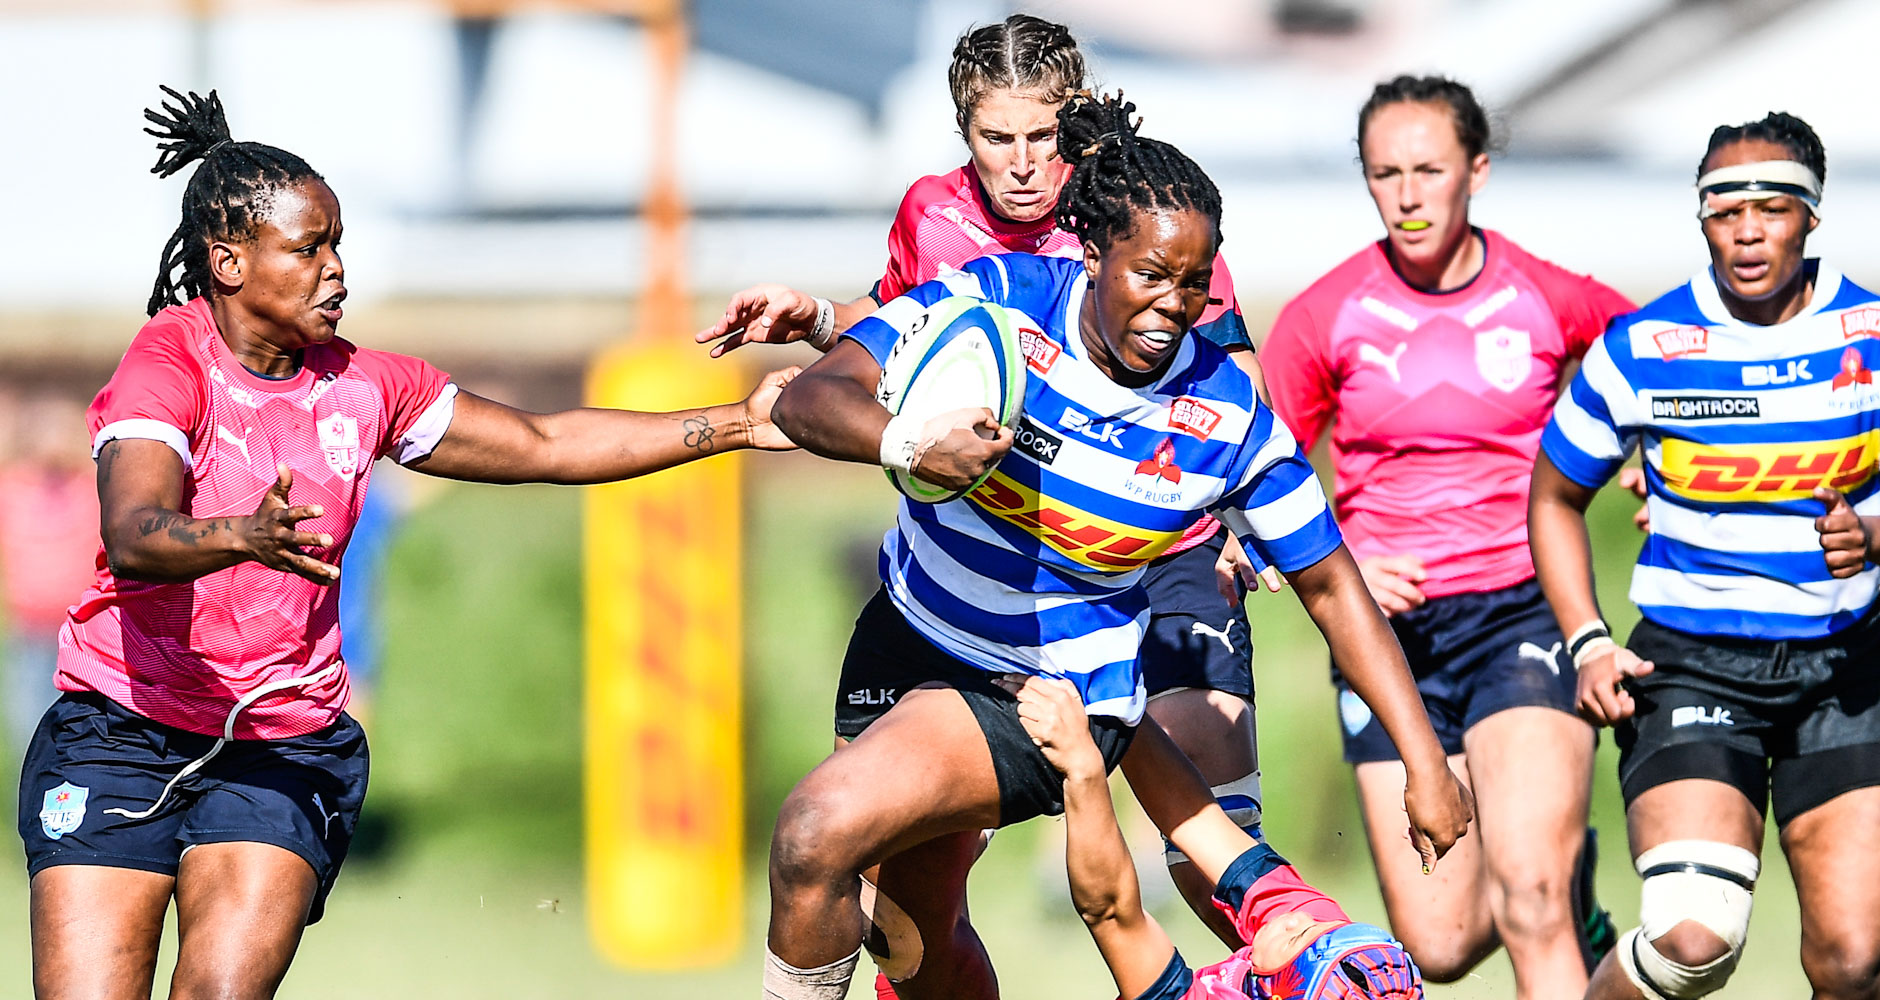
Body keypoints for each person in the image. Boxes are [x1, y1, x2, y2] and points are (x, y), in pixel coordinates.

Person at [17, 87, 800, 1000]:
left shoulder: (368, 386)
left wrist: (739, 423)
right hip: (120, 729)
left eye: (337, 244)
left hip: (283, 745)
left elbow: (547, 445)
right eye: (309, 249)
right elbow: (136, 533)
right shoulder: (167, 365)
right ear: (228, 262)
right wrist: (245, 534)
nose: (337, 270)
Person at [758, 91, 1471, 1000]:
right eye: (1150, 276)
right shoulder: (994, 304)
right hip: (903, 634)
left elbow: (1334, 591)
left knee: (814, 832)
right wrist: (907, 440)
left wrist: (1423, 763)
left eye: (1195, 282)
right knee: (913, 941)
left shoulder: (1230, 419)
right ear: (1091, 254)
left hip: (1045, 686)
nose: (1174, 307)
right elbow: (811, 398)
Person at [699, 13, 1279, 948]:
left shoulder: (1137, 212)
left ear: (1077, 121)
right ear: (963, 131)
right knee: (903, 906)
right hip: (993, 572)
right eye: (993, 137)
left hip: (1157, 552)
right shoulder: (932, 211)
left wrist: (1244, 525)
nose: (1019, 162)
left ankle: (1294, 962)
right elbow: (905, 334)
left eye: (1042, 137)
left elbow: (1232, 378)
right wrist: (816, 323)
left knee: (1206, 846)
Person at [1530, 111, 1880, 1000]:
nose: (1748, 232)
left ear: (1810, 215)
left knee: (1852, 963)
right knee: (1694, 941)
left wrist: (1874, 536)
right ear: (1702, 220)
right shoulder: (1647, 349)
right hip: (1694, 668)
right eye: (1726, 212)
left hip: (1847, 668)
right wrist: (1587, 639)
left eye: (1771, 209)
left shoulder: (1878, 335)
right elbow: (1553, 496)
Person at [1259, 75, 1630, 999]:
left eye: (1430, 169)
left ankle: (1551, 886)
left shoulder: (1545, 296)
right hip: (1391, 640)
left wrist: (1650, 453)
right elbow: (1250, 473)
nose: (1410, 195)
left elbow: (1654, 351)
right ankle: (1563, 887)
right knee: (1438, 942)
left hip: (1522, 613)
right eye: (1386, 173)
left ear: (1478, 170)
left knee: (1530, 897)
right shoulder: (1324, 316)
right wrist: (1337, 563)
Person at [1009, 672, 1423, 1000]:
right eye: (1325, 925)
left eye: (1299, 935)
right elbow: (1194, 819)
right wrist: (1113, 698)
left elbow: (1112, 913)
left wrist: (1083, 766)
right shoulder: (1329, 942)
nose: (1297, 917)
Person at [0, 393, 101, 752]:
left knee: (81, 731)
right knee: (28, 730)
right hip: (29, 631)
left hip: (82, 632)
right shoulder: (12, 488)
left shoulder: (91, 488)